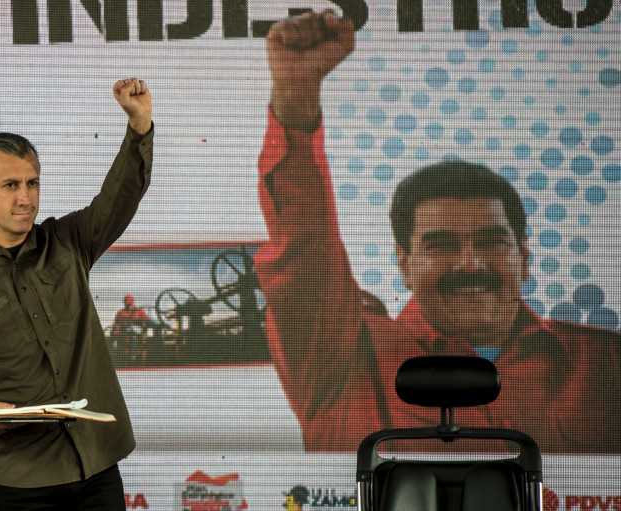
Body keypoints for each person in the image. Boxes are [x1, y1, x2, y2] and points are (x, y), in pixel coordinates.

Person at [255, 10, 620, 453]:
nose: (471, 263)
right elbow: (304, 248)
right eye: (440, 245)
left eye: (491, 242)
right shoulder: (345, 359)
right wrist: (296, 93)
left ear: (524, 257)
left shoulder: (603, 363)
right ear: (403, 264)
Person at [0, 77, 153, 509]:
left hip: (95, 469)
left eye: (32, 183)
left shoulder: (69, 242)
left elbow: (120, 196)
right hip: (16, 482)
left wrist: (139, 128)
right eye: (11, 185)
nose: (25, 198)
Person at [111, 293, 150, 359]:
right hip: (124, 332)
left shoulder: (140, 311)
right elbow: (117, 323)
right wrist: (116, 332)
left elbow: (146, 321)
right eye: (127, 304)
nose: (128, 305)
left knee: (133, 331)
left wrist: (142, 326)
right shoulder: (120, 313)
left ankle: (133, 356)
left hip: (138, 332)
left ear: (133, 302)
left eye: (130, 304)